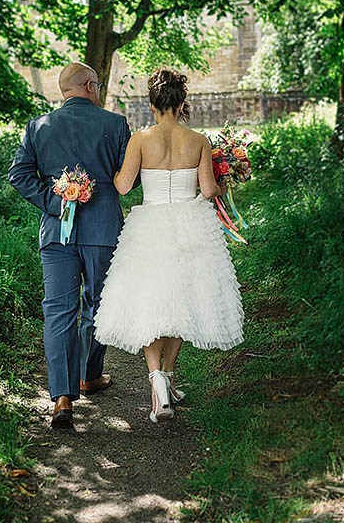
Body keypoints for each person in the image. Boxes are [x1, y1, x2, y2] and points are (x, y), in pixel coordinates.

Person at [93, 68, 244, 423]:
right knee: (185, 299)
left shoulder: (140, 139)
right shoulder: (198, 141)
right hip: (192, 225)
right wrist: (225, 184)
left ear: (151, 104)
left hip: (152, 225)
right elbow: (208, 191)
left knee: (152, 301)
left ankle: (157, 381)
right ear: (182, 103)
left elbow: (124, 186)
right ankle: (170, 375)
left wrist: (111, 172)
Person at [8, 62, 136, 429]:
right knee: (98, 303)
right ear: (90, 87)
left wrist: (57, 201)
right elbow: (131, 180)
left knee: (58, 311)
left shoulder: (38, 127)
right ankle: (88, 375)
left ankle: (62, 397)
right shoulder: (114, 124)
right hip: (103, 230)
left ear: (64, 91)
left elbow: (18, 175)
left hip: (56, 234)